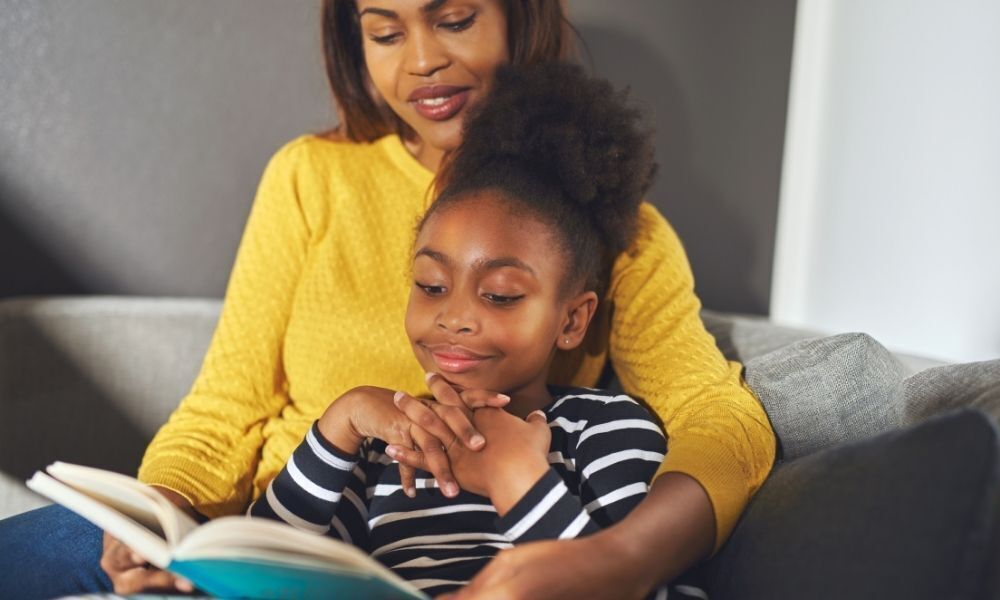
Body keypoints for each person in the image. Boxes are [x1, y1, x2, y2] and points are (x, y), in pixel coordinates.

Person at [0, 1, 775, 598]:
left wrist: (620, 561)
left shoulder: (609, 227)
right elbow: (222, 410)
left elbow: (719, 420)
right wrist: (158, 513)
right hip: (280, 535)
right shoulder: (311, 178)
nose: (424, 62)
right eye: (385, 32)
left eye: (456, 19)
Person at [248, 61, 705, 599]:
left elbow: (632, 586)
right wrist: (341, 422)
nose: (454, 317)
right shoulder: (384, 448)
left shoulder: (604, 430)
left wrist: (515, 477)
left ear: (572, 320)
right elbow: (260, 567)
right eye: (431, 285)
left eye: (500, 295)